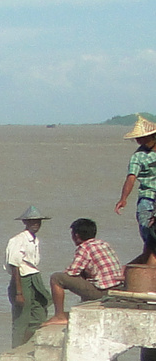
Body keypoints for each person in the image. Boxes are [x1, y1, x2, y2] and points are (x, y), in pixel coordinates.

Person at [45, 218, 125, 324]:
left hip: (103, 292)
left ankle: (59, 315)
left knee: (56, 278)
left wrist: (66, 272)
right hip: (118, 288)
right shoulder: (103, 244)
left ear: (76, 236)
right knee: (85, 273)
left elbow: (72, 271)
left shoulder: (84, 248)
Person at [7, 207, 51, 346]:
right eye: (32, 221)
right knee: (22, 317)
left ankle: (27, 344)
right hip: (22, 278)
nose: (36, 224)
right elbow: (15, 265)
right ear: (25, 222)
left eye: (38, 221)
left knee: (40, 311)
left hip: (34, 276)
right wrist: (19, 292)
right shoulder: (18, 240)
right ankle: (16, 348)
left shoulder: (34, 240)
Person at [118, 115, 156, 266]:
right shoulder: (138, 156)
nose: (139, 141)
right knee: (150, 239)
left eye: (142, 138)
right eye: (137, 138)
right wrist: (123, 198)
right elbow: (131, 178)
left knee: (152, 245)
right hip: (147, 199)